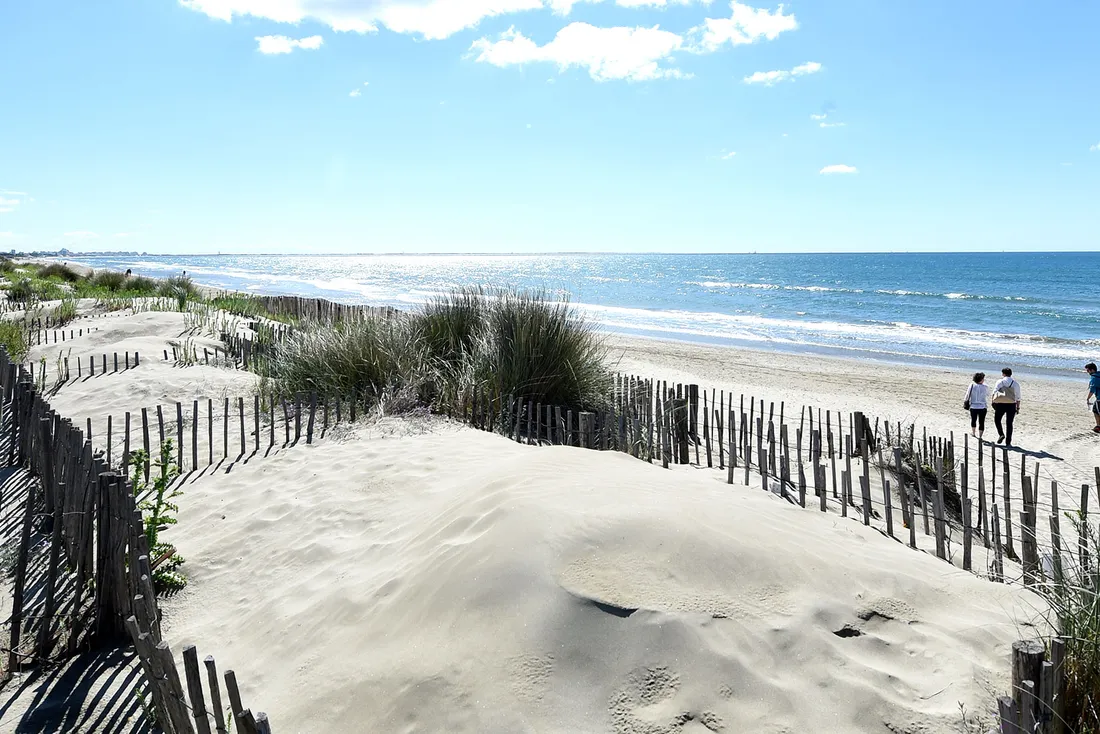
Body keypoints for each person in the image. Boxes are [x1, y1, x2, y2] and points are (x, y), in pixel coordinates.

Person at [991, 367, 1021, 446]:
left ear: (1003, 374)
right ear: (1011, 374)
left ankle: (1001, 434)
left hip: (1000, 403)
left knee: (997, 420)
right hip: (1011, 404)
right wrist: (1018, 407)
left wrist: (993, 401)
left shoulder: (1000, 381)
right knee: (1009, 423)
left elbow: (994, 392)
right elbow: (1018, 397)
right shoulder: (1015, 383)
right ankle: (1008, 442)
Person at [964, 372, 988, 439]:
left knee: (973, 420)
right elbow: (988, 394)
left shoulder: (972, 385)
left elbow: (967, 395)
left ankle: (974, 433)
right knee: (982, 421)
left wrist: (965, 401)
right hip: (983, 406)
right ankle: (980, 435)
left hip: (973, 406)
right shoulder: (985, 386)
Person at [1086, 362, 1100, 434]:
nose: (1087, 372)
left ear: (1092, 370)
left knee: (1096, 411)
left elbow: (1092, 390)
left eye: (1088, 370)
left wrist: (1088, 398)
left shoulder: (1094, 378)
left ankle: (1098, 426)